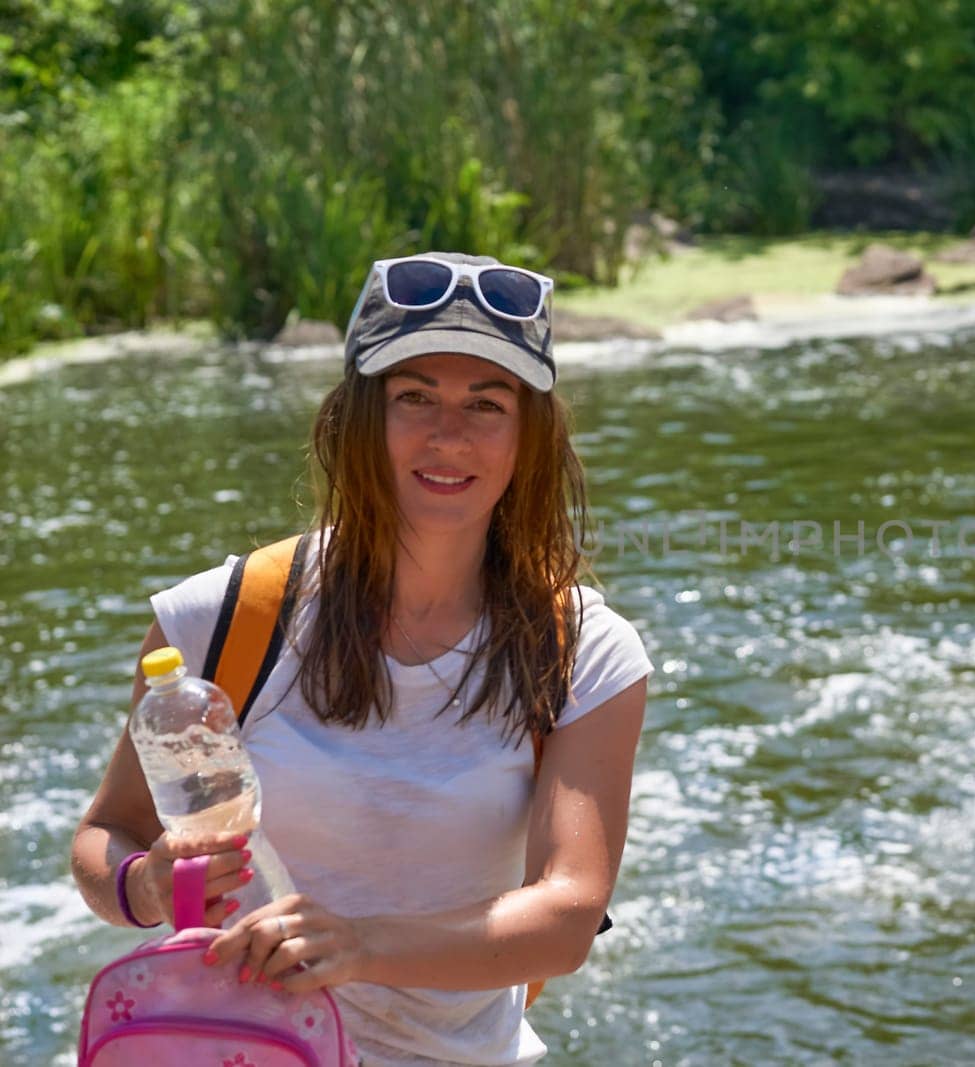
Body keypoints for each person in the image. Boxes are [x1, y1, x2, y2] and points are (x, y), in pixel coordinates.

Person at [70, 251, 654, 1065]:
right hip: (237, 1048)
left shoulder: (585, 650)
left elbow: (567, 916)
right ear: (359, 417)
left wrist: (360, 945)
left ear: (530, 437)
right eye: (414, 397)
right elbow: (106, 834)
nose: (448, 435)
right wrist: (142, 884)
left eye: (487, 404)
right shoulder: (221, 617)